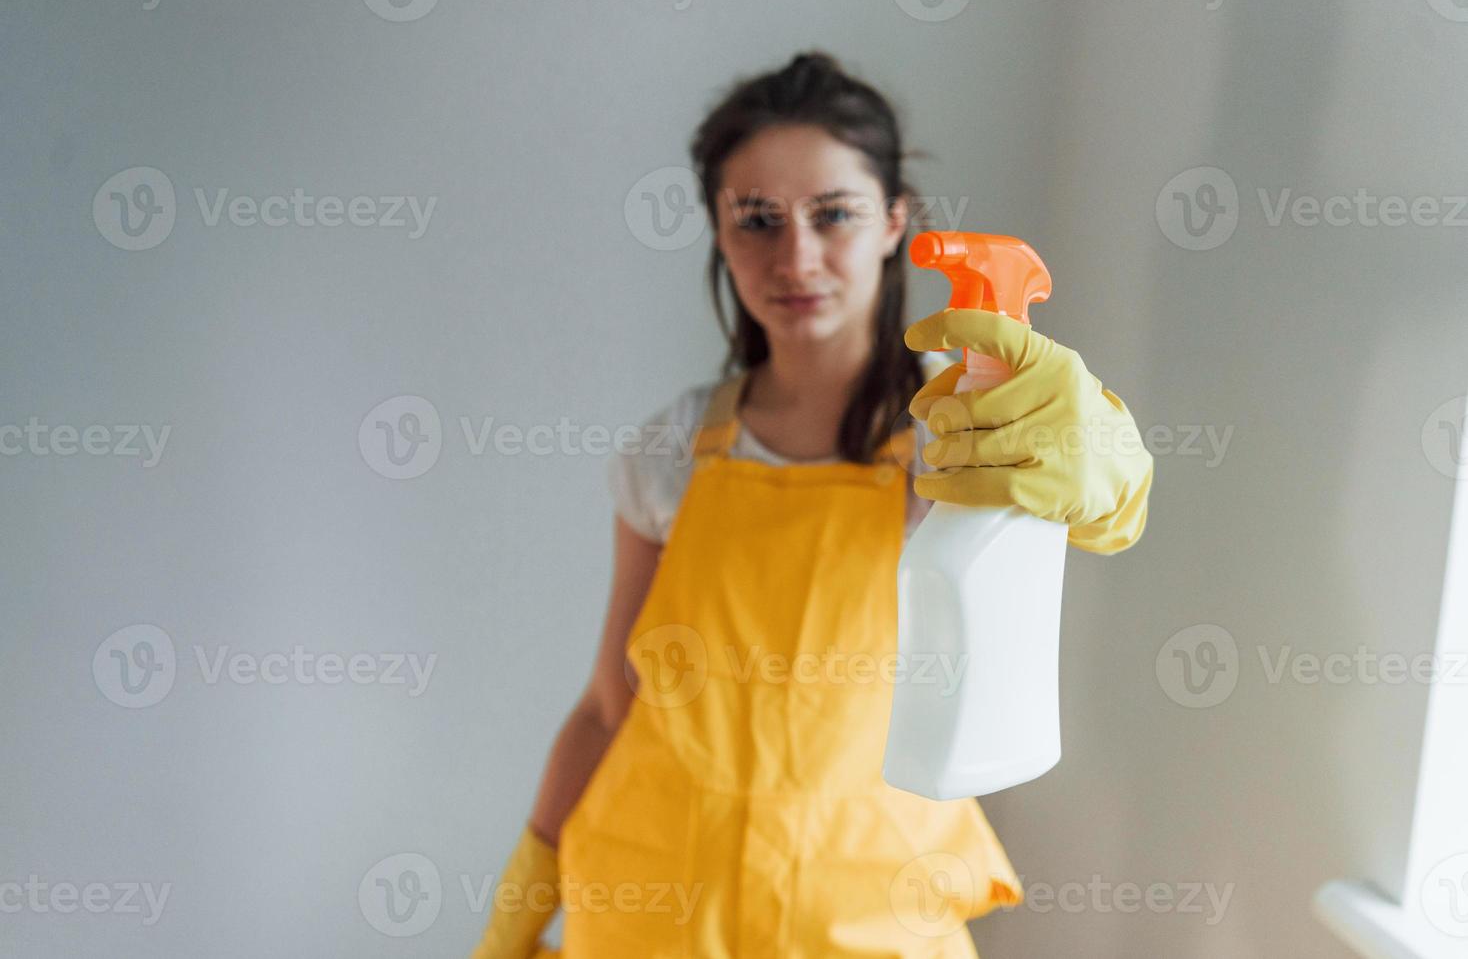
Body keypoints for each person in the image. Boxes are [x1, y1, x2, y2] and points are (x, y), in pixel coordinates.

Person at [469, 50, 1153, 958]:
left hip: (867, 911)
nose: (796, 258)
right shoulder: (673, 453)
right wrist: (518, 910)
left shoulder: (960, 433)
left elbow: (1101, 510)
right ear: (719, 231)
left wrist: (1106, 462)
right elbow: (609, 705)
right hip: (652, 910)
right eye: (757, 220)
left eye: (833, 214)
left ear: (894, 223)